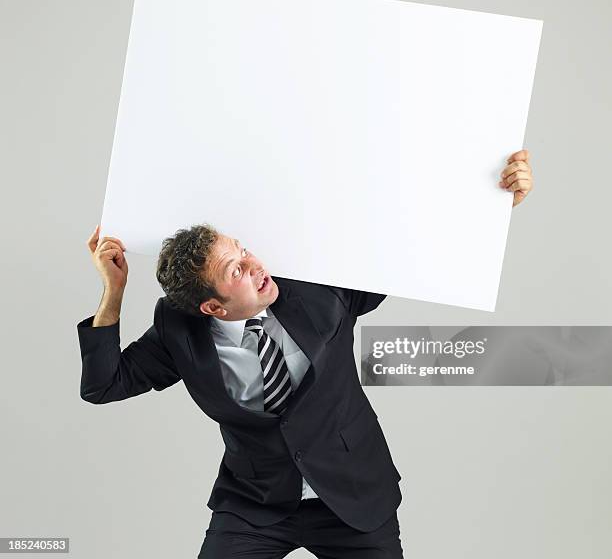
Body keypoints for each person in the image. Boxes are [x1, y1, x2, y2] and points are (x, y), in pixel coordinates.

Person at [77, 150, 533, 558]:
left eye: (243, 251)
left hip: (352, 497)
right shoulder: (179, 330)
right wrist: (113, 292)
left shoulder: (317, 290)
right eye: (237, 269)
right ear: (212, 306)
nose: (256, 265)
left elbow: (410, 257)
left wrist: (490, 208)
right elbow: (104, 385)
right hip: (255, 505)